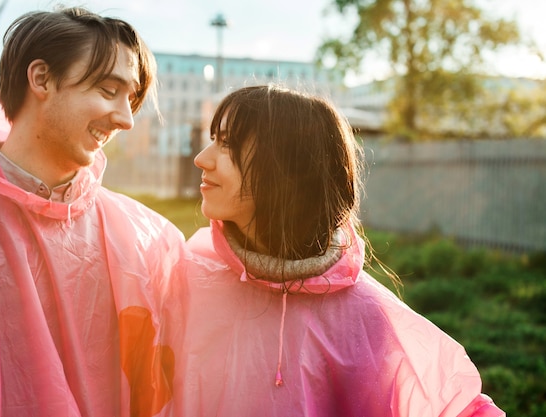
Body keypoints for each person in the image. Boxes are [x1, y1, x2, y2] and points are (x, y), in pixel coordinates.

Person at [161, 85, 504, 416]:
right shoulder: (187, 275)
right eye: (212, 140)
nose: (201, 159)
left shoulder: (365, 318)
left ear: (286, 168)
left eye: (227, 144)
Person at [0, 7, 184, 416]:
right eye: (108, 90)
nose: (127, 120)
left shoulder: (148, 238)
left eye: (131, 99)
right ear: (41, 78)